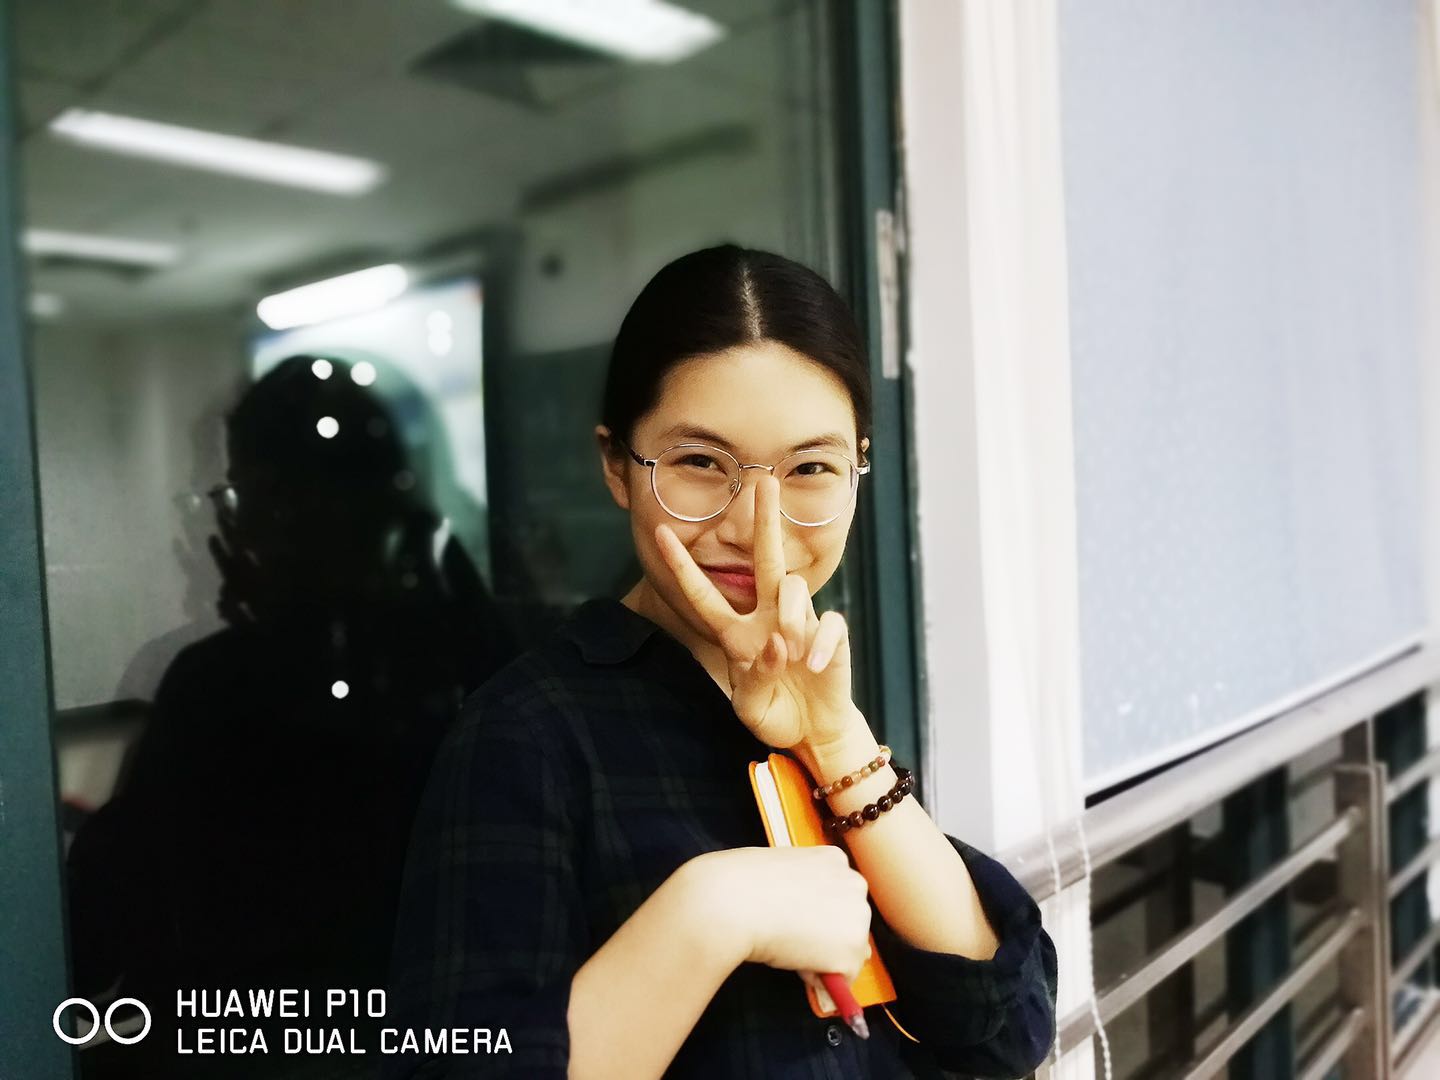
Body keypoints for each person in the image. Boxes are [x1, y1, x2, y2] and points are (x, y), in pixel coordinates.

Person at [385, 245, 1058, 1079]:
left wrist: (837, 741)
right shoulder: (525, 737)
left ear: (858, 470)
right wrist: (710, 915)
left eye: (810, 468)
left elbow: (1008, 1030)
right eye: (701, 463)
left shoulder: (820, 703)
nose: (752, 526)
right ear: (616, 465)